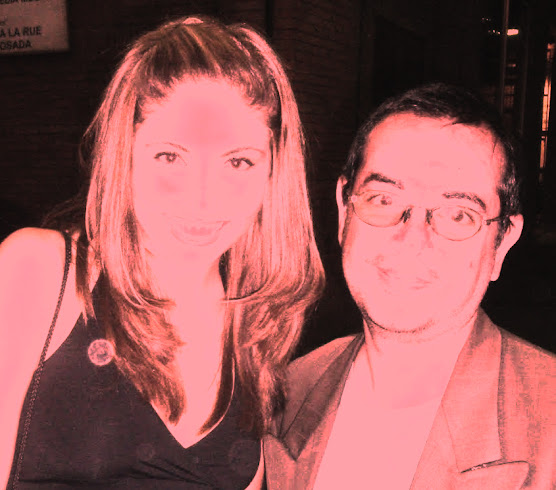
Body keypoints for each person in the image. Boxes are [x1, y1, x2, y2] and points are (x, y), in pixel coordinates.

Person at [0, 16, 324, 489]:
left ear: (272, 174)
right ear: (125, 155)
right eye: (170, 157)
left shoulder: (254, 332)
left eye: (238, 161)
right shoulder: (38, 273)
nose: (203, 198)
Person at [264, 83, 556, 489]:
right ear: (344, 211)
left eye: (458, 214)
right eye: (384, 199)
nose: (412, 241)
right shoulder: (286, 394)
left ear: (502, 242)